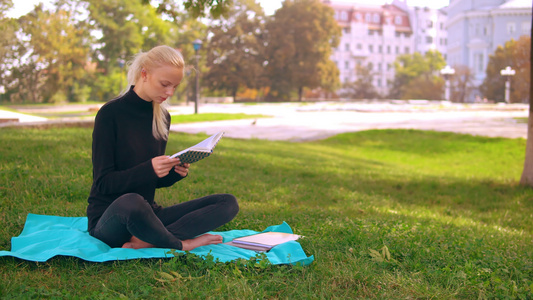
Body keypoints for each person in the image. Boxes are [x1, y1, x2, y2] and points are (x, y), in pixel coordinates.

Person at [86, 45, 239, 251]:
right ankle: (180, 243)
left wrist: (174, 172)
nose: (169, 92)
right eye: (165, 84)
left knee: (227, 203)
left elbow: (151, 181)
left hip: (148, 214)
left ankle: (148, 240)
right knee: (132, 202)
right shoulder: (110, 114)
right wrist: (149, 169)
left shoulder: (162, 117)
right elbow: (104, 183)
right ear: (144, 74)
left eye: (175, 86)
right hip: (112, 218)